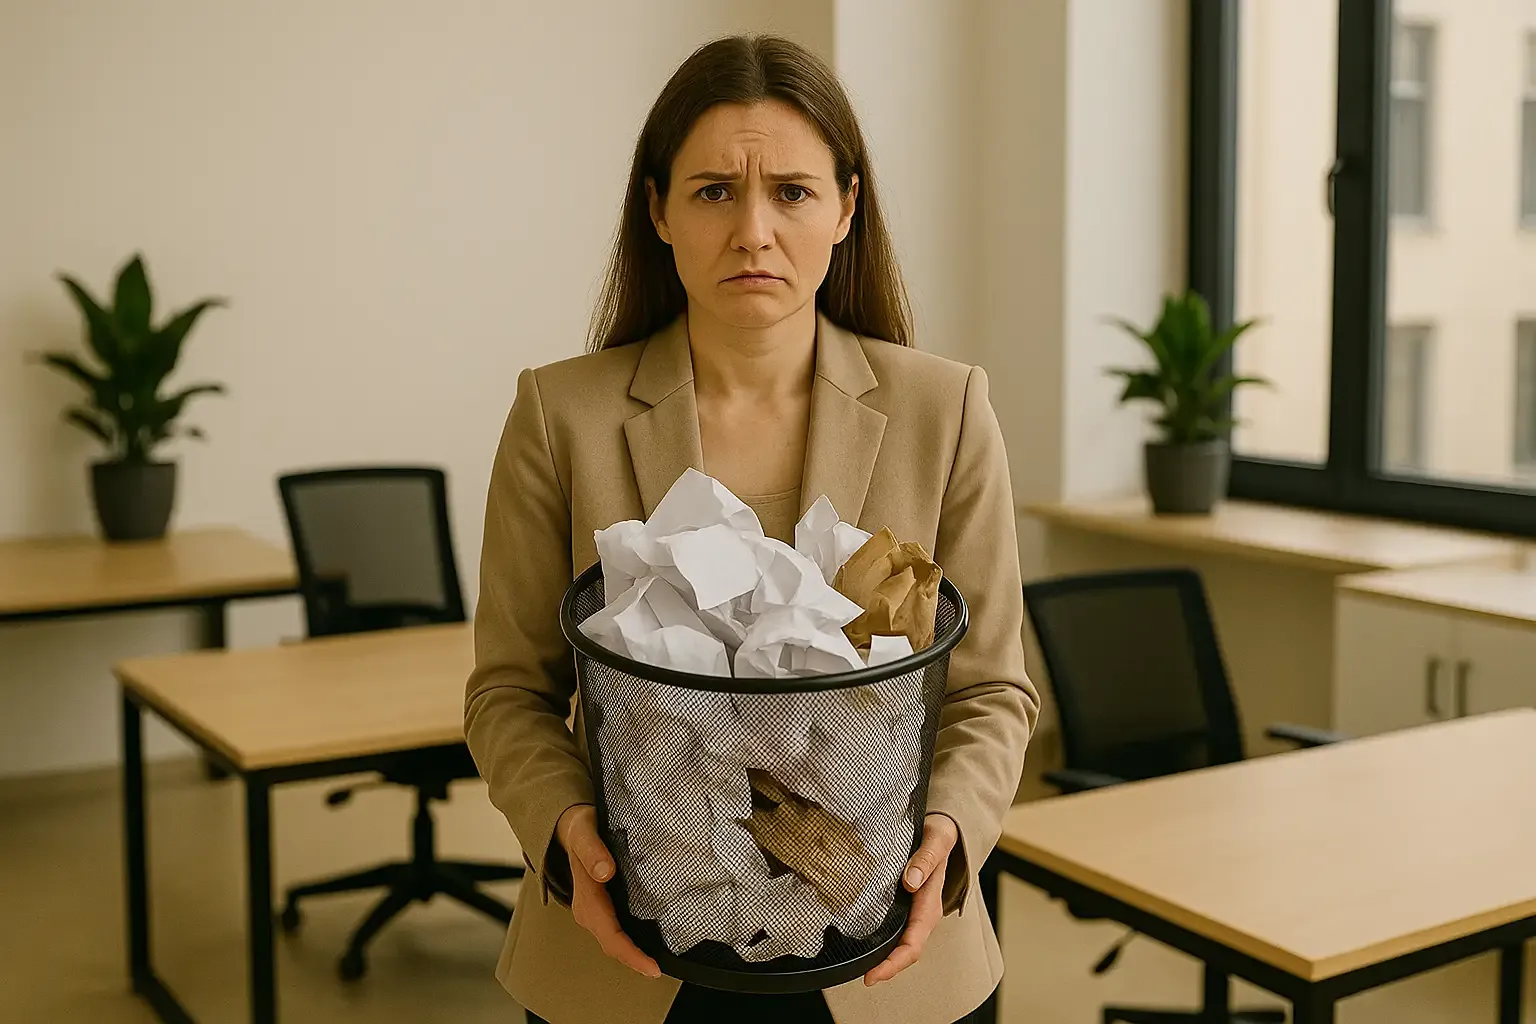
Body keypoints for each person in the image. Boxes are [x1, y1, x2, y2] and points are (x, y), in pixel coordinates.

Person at [464, 33, 1038, 1024]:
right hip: (631, 955)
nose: (754, 230)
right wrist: (569, 836)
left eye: (794, 192)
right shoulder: (561, 416)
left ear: (847, 207)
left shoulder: (945, 410)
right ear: (658, 210)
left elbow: (992, 693)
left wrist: (950, 825)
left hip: (883, 954)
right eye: (714, 192)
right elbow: (509, 692)